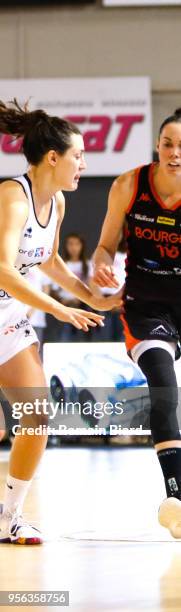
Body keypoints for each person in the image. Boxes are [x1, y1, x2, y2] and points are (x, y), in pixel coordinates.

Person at [0, 99, 121, 545]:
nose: (83, 163)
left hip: (7, 321)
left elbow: (49, 262)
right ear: (53, 157)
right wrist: (56, 308)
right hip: (10, 302)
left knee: (36, 416)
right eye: (79, 154)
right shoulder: (13, 195)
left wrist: (94, 298)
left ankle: (9, 516)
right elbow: (4, 269)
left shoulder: (59, 204)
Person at [92, 108, 181, 539]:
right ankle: (176, 496)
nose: (175, 153)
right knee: (163, 382)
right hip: (146, 306)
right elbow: (106, 247)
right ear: (157, 145)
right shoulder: (128, 185)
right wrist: (102, 265)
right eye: (168, 144)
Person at [49, 233, 92, 341]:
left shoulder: (88, 265)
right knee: (64, 338)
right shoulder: (62, 265)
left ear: (82, 246)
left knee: (82, 339)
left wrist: (80, 299)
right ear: (66, 246)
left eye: (77, 244)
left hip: (82, 307)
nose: (73, 247)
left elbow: (92, 287)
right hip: (65, 308)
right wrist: (62, 300)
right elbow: (53, 289)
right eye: (70, 244)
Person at [27, 266, 51, 358]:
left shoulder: (41, 265)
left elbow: (46, 290)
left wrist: (33, 309)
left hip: (36, 318)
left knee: (36, 353)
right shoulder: (13, 262)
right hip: (15, 318)